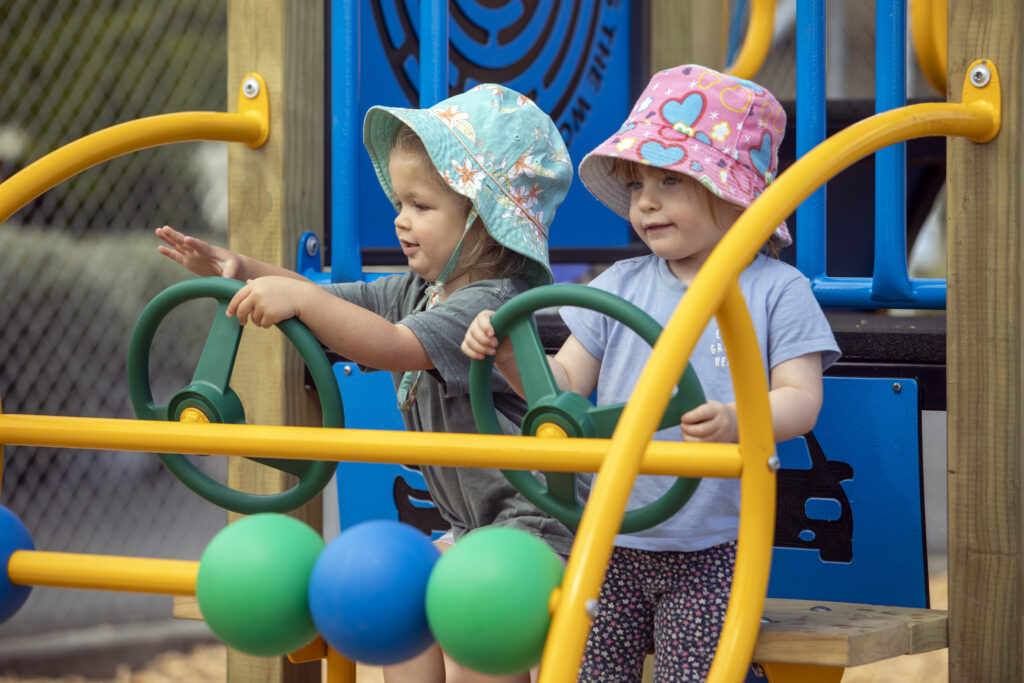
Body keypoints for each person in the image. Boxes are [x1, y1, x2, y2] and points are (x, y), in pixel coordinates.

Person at [156, 83, 575, 683]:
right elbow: (330, 303)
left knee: (468, 625)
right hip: (472, 530)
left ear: (482, 221)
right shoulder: (420, 290)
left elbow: (394, 346)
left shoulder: (490, 304)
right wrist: (240, 269)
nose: (401, 220)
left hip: (534, 531)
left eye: (421, 207)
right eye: (399, 202)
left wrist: (297, 295)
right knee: (394, 609)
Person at [462, 64, 841, 681]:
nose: (645, 201)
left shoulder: (777, 290)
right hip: (610, 531)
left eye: (670, 179)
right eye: (638, 183)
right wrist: (508, 355)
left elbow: (801, 400)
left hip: (712, 546)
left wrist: (736, 419)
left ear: (732, 193)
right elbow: (562, 398)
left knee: (695, 675)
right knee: (586, 672)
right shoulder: (620, 286)